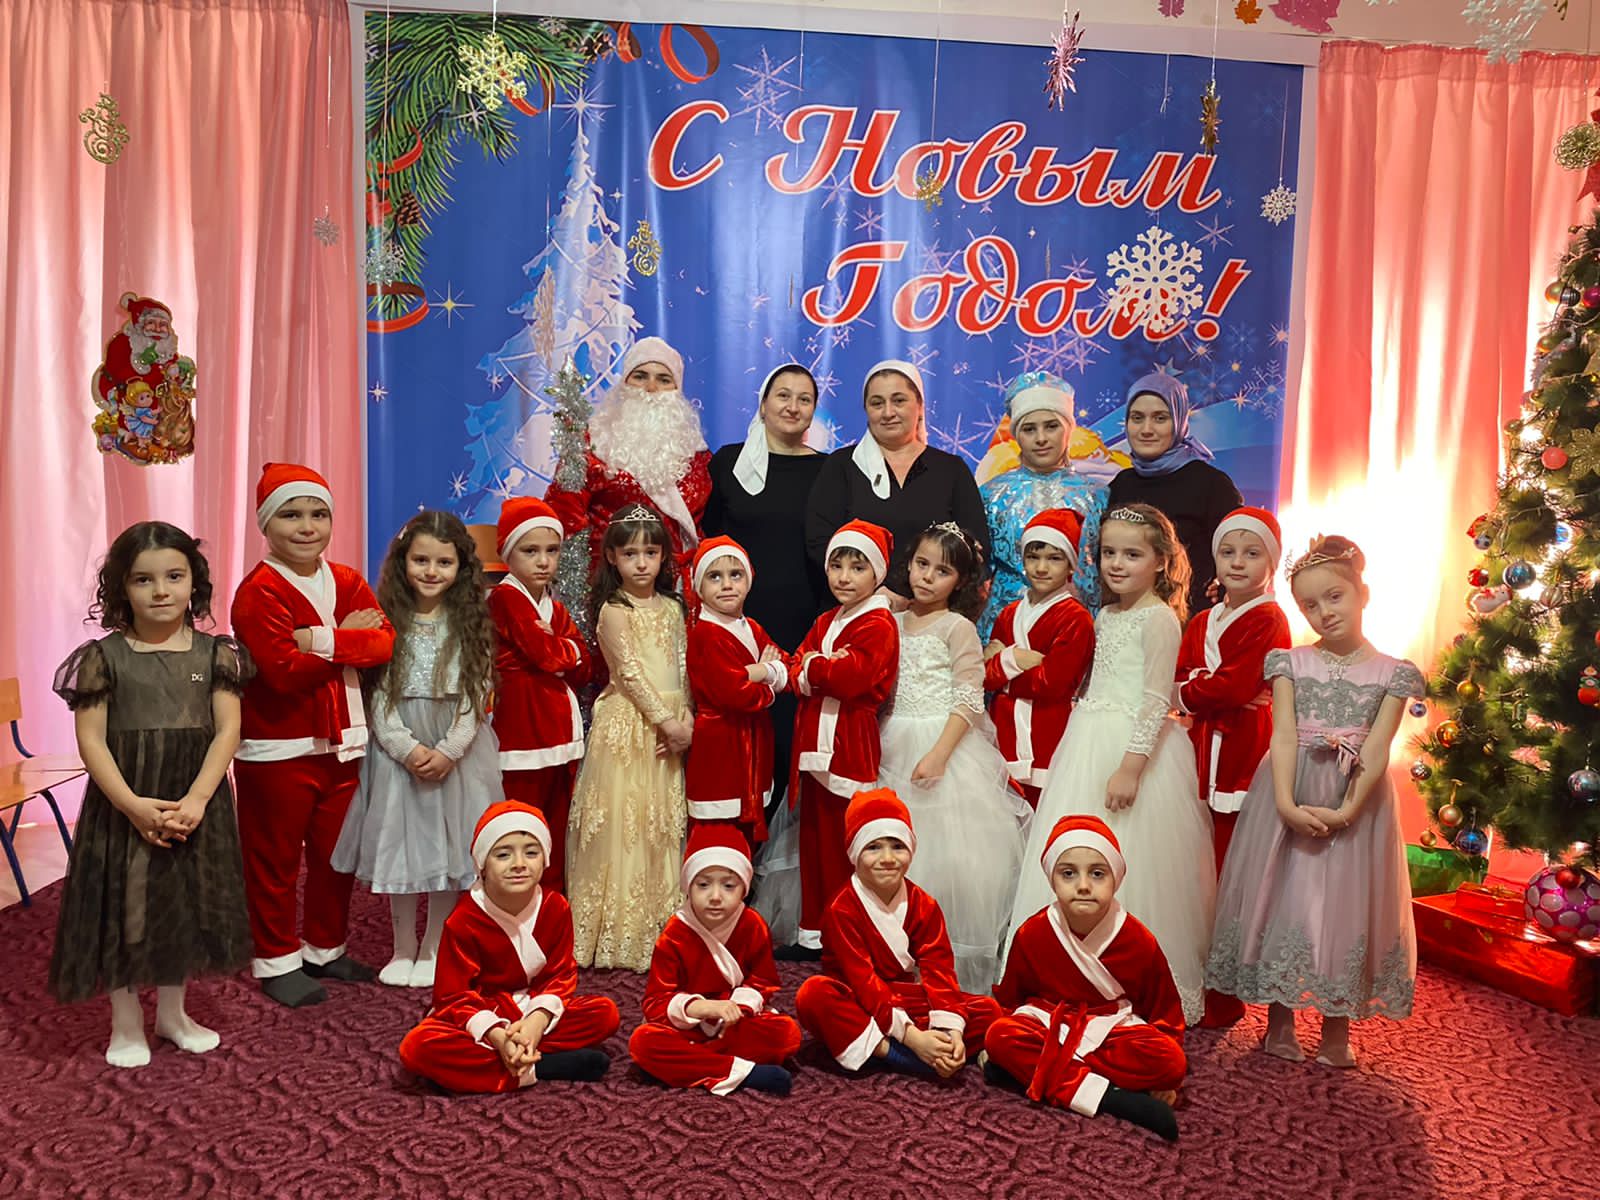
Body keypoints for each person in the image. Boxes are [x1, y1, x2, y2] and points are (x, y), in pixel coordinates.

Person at [1206, 536, 1421, 1068]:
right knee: (1286, 898)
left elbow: (1377, 746)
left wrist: (1348, 809)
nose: (1324, 612)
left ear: (1363, 593)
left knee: (1346, 905)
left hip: (1356, 796)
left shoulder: (1393, 673)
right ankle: (1279, 1023)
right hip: (1291, 788)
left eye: (1335, 597)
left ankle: (1335, 1030)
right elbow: (1281, 735)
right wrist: (1284, 802)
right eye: (1310, 605)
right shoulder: (1290, 664)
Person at [49, 522, 252, 1067]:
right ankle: (125, 1021)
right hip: (125, 802)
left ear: (194, 582)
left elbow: (228, 731)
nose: (161, 590)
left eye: (174, 576)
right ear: (121, 587)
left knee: (181, 903)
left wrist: (198, 800)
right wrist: (132, 805)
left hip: (193, 800)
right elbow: (92, 740)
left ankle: (173, 1014)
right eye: (143, 579)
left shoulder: (217, 655)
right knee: (126, 906)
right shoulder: (102, 658)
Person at [1007, 504, 1214, 1024]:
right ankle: (1068, 970)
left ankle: (1133, 978)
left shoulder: (1160, 618)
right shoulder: (1105, 614)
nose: (1117, 564)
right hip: (1088, 737)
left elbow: (1154, 700)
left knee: (1134, 854)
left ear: (1161, 562)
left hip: (1133, 749)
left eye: (1132, 555)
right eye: (1108, 553)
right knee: (1076, 842)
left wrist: (1131, 767)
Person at [231, 463, 395, 1006]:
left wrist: (315, 640)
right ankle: (277, 960)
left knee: (334, 857)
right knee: (274, 862)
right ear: (265, 524)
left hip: (344, 744)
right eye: (292, 515)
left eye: (318, 514)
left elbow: (383, 645)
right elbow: (281, 671)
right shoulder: (257, 592)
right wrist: (344, 638)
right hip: (278, 750)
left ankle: (325, 947)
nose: (307, 526)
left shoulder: (346, 580)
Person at [331, 512, 500, 989]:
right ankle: (403, 946)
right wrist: (405, 749)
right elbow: (378, 695)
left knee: (449, 848)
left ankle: (434, 946)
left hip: (455, 753)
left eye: (443, 562)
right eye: (420, 560)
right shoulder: (388, 620)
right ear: (403, 562)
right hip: (398, 750)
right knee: (402, 847)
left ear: (460, 567)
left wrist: (449, 750)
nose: (431, 571)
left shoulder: (470, 622)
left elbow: (476, 696)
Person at [877, 522, 1032, 992]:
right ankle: (891, 954)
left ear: (960, 581)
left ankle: (941, 960)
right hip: (890, 738)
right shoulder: (892, 620)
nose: (926, 577)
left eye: (941, 571)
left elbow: (968, 697)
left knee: (946, 860)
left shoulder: (957, 627)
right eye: (921, 564)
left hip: (940, 742)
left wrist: (940, 755)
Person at [986, 816, 1186, 1143]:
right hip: (1049, 1023)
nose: (1083, 885)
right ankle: (1115, 1099)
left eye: (1097, 873)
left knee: (1172, 1062)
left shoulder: (1138, 940)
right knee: (1000, 1036)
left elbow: (1165, 1012)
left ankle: (1039, 1075)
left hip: (1109, 1030)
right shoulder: (1032, 933)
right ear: (1052, 880)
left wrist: (1166, 1075)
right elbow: (1011, 998)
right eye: (1068, 873)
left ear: (1116, 879)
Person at [398, 802, 620, 1092]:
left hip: (532, 1008)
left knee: (604, 1014)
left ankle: (503, 1062)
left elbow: (559, 976)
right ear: (482, 865)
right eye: (503, 854)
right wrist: (497, 1034)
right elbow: (453, 997)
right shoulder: (463, 919)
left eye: (531, 852)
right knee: (418, 1047)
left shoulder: (556, 907)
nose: (519, 864)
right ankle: (539, 1067)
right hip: (485, 1012)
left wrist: (536, 1022)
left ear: (545, 858)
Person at [1173, 506, 1291, 1029]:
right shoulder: (1202, 620)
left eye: (1252, 553)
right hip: (1198, 743)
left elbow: (1235, 685)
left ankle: (1225, 991)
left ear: (1271, 562)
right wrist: (1204, 688)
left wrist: (1200, 689)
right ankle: (1192, 972)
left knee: (1230, 872)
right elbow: (1184, 675)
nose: (1237, 562)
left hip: (1243, 748)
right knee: (1197, 865)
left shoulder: (1270, 619)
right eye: (1228, 552)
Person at [794, 788, 1002, 1078]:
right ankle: (895, 1053)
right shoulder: (841, 909)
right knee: (813, 995)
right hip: (857, 997)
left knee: (989, 1010)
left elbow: (939, 970)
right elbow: (863, 982)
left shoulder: (925, 905)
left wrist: (950, 1029)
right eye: (873, 847)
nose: (888, 858)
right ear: (854, 853)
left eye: (897, 846)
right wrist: (914, 1039)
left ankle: (938, 1050)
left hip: (903, 998)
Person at [567, 504, 691, 970]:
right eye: (631, 554)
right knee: (626, 822)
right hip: (630, 725)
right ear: (612, 558)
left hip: (670, 727)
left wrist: (687, 718)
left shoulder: (673, 607)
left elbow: (682, 666)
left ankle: (662, 926)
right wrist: (667, 723)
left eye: (651, 553)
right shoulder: (614, 610)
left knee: (660, 822)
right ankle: (619, 934)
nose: (642, 563)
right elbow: (630, 674)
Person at [703, 363, 828, 815]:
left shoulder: (829, 470)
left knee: (789, 746)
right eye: (783, 395)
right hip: (737, 624)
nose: (793, 406)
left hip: (804, 622)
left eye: (804, 399)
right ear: (762, 404)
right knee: (738, 746)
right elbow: (709, 541)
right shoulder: (728, 463)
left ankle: (786, 851)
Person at [775, 520, 899, 959]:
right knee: (813, 846)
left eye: (857, 567)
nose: (844, 577)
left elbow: (853, 677)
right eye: (836, 566)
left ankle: (847, 937)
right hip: (813, 745)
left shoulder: (879, 623)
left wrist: (816, 665)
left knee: (842, 847)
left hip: (848, 744)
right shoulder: (827, 619)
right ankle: (814, 933)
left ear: (877, 573)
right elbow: (795, 669)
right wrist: (818, 666)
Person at [628, 825, 803, 1095]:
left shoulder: (752, 924)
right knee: (643, 1042)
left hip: (732, 1024)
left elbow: (762, 981)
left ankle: (693, 1063)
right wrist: (702, 1008)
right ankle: (744, 1072)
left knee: (787, 1034)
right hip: (689, 1025)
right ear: (688, 887)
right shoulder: (676, 932)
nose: (715, 897)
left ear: (744, 889)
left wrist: (738, 1008)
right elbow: (656, 1001)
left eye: (729, 886)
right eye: (703, 885)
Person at [544, 336, 712, 605]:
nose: (651, 388)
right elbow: (564, 514)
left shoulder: (697, 454)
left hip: (679, 592)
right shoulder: (592, 443)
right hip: (608, 586)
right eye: (640, 376)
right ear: (624, 383)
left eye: (664, 379)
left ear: (677, 389)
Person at [805, 360, 990, 602]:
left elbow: (975, 548)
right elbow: (819, 541)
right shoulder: (842, 465)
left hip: (932, 612)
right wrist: (873, 592)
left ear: (920, 405)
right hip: (856, 608)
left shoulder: (951, 469)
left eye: (899, 400)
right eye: (877, 403)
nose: (888, 412)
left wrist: (923, 600)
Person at [488, 497, 588, 892]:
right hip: (522, 731)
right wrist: (566, 649)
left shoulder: (554, 607)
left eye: (552, 550)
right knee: (520, 825)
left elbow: (584, 667)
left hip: (559, 734)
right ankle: (516, 901)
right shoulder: (505, 598)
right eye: (530, 551)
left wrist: (564, 650)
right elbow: (547, 655)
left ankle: (551, 902)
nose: (543, 561)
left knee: (554, 829)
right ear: (508, 554)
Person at [978, 372, 1107, 638]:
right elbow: (978, 574)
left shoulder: (1098, 496)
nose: (1041, 438)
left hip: (1078, 630)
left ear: (1068, 429)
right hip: (1006, 631)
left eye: (1051, 426)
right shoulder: (991, 495)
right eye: (1029, 429)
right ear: (1016, 434)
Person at [984, 509, 1096, 809]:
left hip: (1049, 732)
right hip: (1004, 729)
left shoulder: (1075, 618)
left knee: (1043, 811)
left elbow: (1052, 684)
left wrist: (1002, 665)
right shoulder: (1009, 614)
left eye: (1054, 558)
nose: (1042, 567)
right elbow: (984, 677)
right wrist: (1017, 658)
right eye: (1033, 557)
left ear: (1070, 564)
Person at [1106, 373, 1242, 619]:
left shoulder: (1212, 485)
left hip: (1191, 622)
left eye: (1160, 418)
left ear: (1179, 421)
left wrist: (1225, 591)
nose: (1146, 429)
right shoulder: (1121, 484)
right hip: (1127, 620)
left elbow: (1239, 553)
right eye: (1137, 418)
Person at [685, 536, 788, 847]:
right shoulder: (706, 634)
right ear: (699, 586)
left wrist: (761, 672)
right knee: (718, 831)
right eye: (715, 577)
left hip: (753, 743)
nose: (727, 585)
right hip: (721, 746)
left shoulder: (751, 627)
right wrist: (766, 676)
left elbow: (785, 663)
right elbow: (736, 693)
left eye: (735, 575)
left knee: (745, 835)